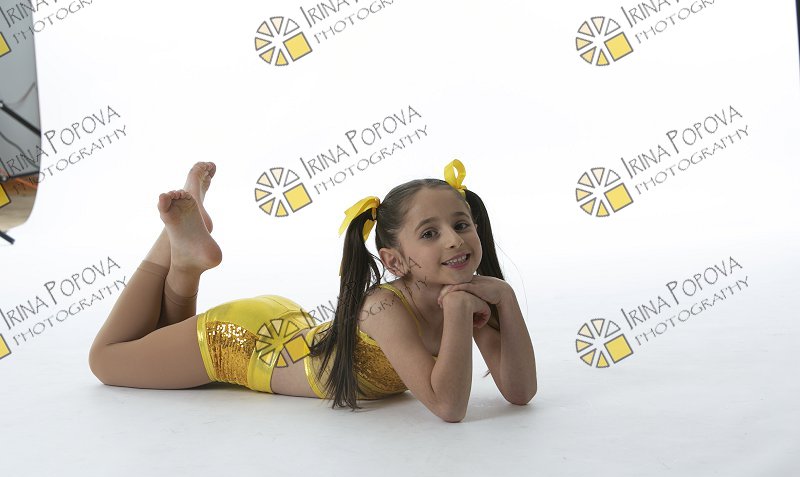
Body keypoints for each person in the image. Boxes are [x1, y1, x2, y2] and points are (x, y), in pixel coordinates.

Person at [88, 159, 537, 422]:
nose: (454, 240)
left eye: (461, 225)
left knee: (158, 343)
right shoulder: (384, 306)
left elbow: (520, 392)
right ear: (394, 261)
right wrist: (458, 313)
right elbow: (448, 406)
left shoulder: (468, 294)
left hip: (286, 324)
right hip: (245, 344)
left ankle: (186, 261)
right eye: (430, 233)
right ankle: (169, 244)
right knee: (107, 358)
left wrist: (506, 298)